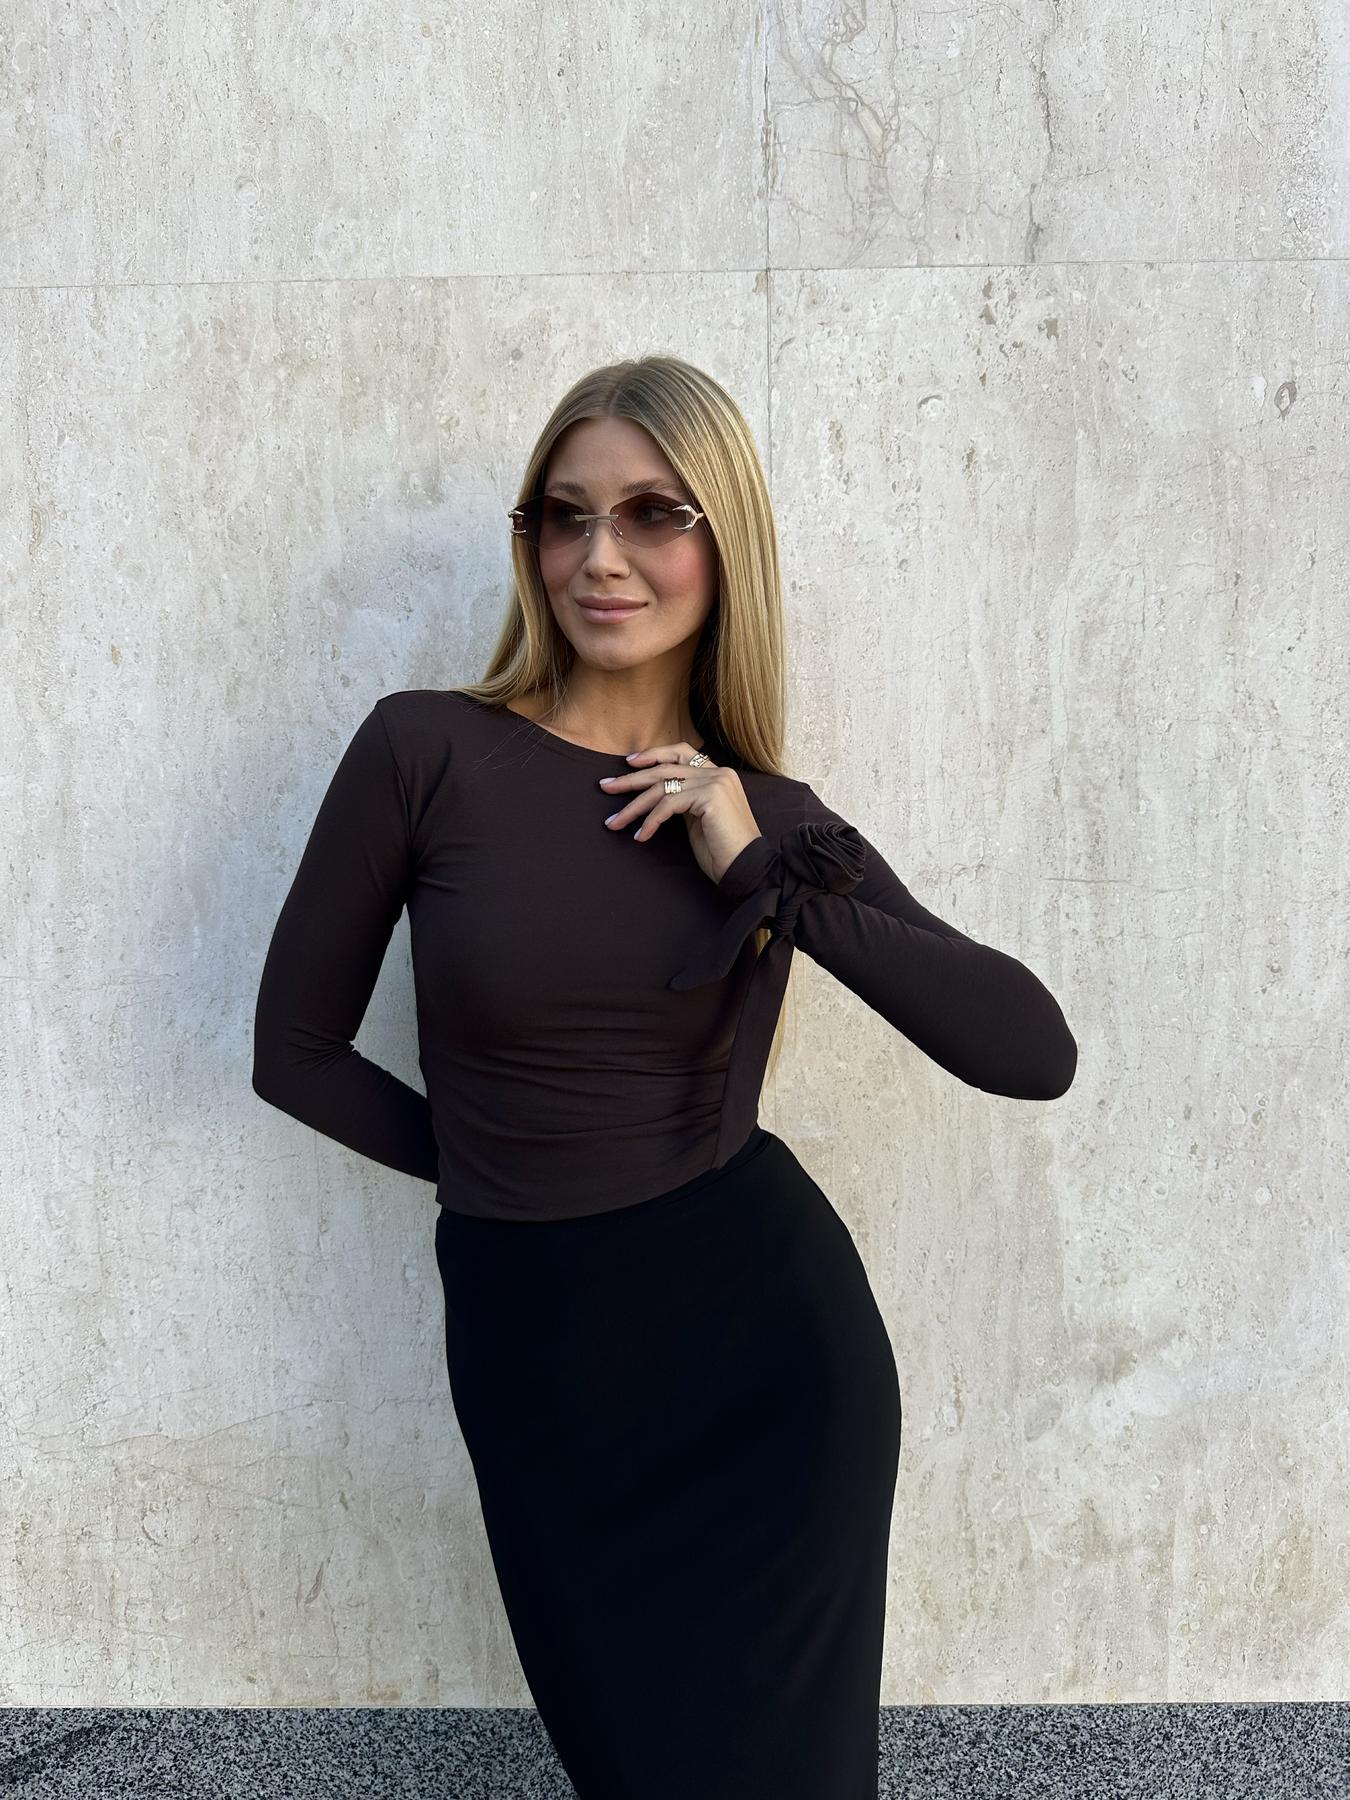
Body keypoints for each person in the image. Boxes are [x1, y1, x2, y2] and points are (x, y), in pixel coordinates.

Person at [251, 353, 1077, 1798]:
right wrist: (511, 1169)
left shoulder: (775, 822)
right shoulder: (424, 751)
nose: (601, 556)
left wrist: (760, 870)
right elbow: (294, 1055)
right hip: (540, 1359)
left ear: (723, 539)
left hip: (767, 1361)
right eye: (564, 516)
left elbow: (1030, 1051)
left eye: (651, 513)